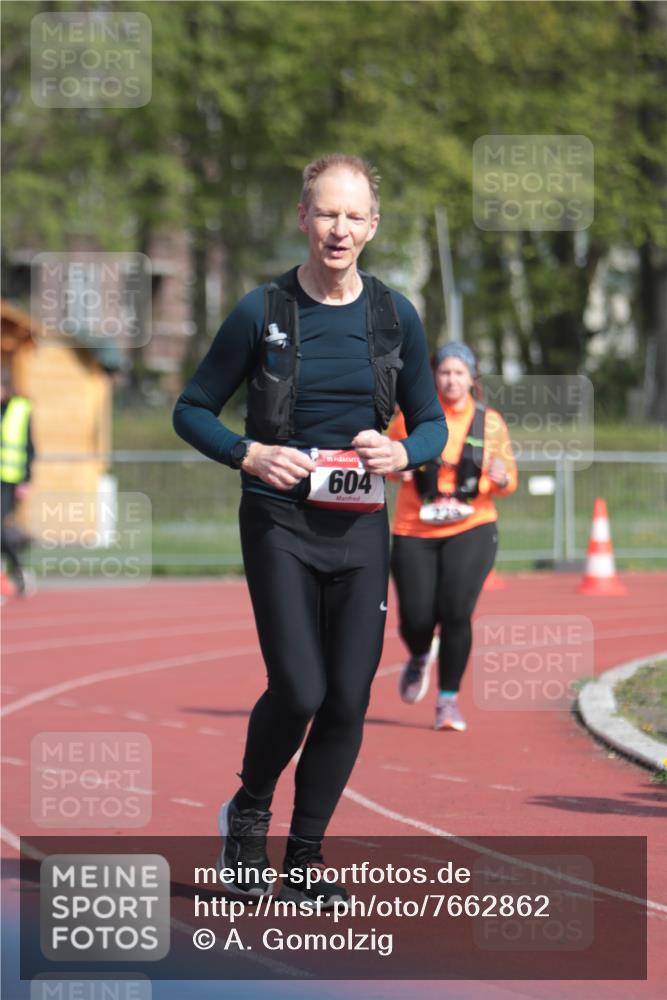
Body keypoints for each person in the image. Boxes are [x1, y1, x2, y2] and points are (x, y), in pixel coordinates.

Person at [173, 154, 447, 905]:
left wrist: (402, 452)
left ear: (373, 227)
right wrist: (249, 452)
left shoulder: (394, 315)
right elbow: (191, 407)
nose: (339, 228)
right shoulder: (261, 311)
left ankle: (303, 859)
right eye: (326, 212)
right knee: (298, 688)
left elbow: (429, 423)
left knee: (348, 700)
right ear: (302, 217)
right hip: (280, 522)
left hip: (359, 529)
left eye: (354, 216)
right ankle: (247, 818)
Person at [389, 342, 517, 732]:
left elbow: (509, 478)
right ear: (434, 376)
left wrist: (501, 478)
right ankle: (418, 654)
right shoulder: (409, 419)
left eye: (459, 373)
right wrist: (398, 470)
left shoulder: (489, 422)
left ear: (472, 379)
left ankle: (448, 701)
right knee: (415, 617)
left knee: (456, 611)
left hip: (471, 525)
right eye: (445, 372)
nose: (451, 379)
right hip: (415, 527)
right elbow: (388, 462)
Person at [1, 367, 35, 596]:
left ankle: (18, 571)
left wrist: (26, 480)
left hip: (8, 481)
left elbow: (30, 447)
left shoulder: (20, 409)